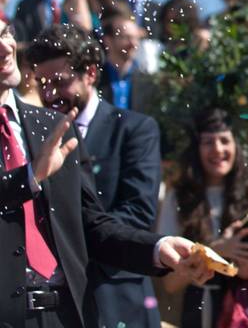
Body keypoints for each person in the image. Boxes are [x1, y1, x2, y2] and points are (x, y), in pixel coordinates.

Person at [0, 15, 214, 327]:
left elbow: (91, 223)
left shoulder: (53, 126)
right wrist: (30, 177)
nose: (5, 48)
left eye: (6, 33)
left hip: (67, 313)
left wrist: (156, 246)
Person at [29, 23, 164, 328]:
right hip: (58, 308)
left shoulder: (134, 130)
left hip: (117, 298)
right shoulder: (34, 138)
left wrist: (71, 245)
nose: (50, 95)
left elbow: (138, 213)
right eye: (41, 83)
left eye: (60, 82)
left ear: (90, 73)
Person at [156, 108, 248, 328]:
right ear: (196, 149)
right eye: (208, 142)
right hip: (198, 312)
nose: (218, 149)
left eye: (224, 141)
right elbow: (170, 283)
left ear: (236, 146)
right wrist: (216, 250)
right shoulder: (177, 199)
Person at [97, 6, 152, 111]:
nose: (133, 43)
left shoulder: (146, 81)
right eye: (126, 37)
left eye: (136, 38)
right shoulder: (95, 79)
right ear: (107, 41)